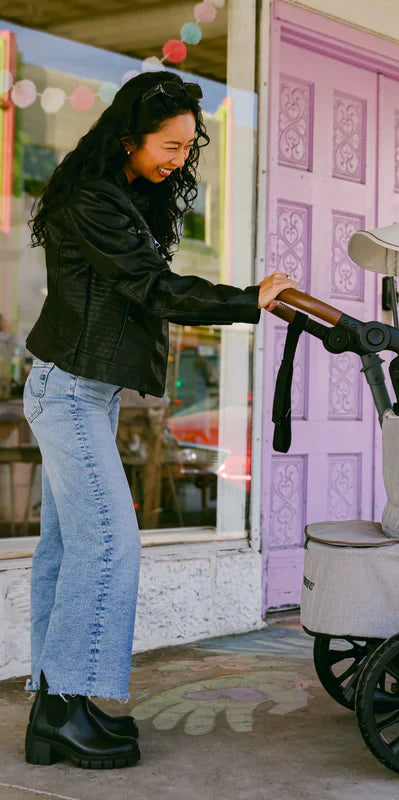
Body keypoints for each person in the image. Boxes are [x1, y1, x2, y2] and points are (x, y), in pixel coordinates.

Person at [22, 70, 297, 769]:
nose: (179, 158)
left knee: (70, 552)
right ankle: (62, 711)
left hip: (83, 393)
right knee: (110, 546)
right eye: (168, 145)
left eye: (187, 145)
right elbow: (154, 288)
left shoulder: (119, 195)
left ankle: (59, 711)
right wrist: (248, 300)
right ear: (128, 138)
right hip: (70, 394)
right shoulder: (95, 201)